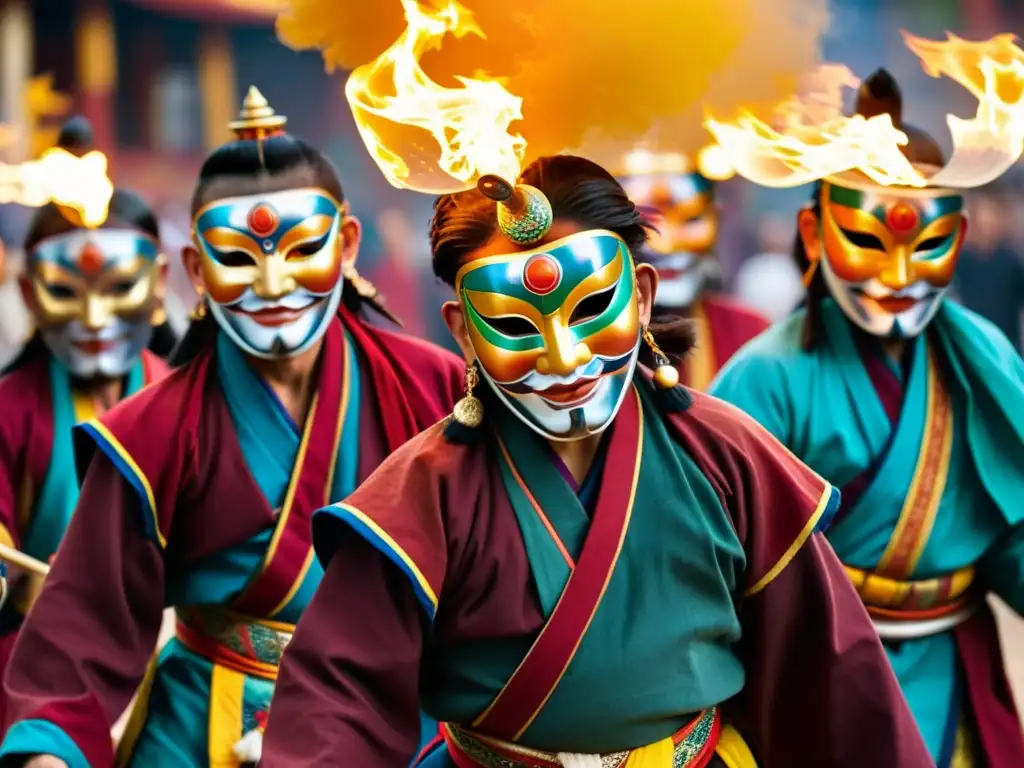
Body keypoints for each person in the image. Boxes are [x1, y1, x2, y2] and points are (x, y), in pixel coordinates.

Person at [259, 154, 932, 767]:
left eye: (590, 309)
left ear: (640, 297)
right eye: (516, 324)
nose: (565, 357)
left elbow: (828, 672)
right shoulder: (422, 491)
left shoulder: (727, 456)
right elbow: (338, 699)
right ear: (463, 330)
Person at [0, 88, 462, 768]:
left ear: (348, 243)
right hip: (207, 716)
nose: (272, 284)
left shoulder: (436, 387)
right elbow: (84, 625)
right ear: (194, 270)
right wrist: (49, 752)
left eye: (302, 249)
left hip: (390, 711)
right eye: (238, 258)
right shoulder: (154, 426)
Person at [710, 68, 1024, 766]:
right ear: (815, 235)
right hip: (822, 669)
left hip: (953, 665)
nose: (898, 274)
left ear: (962, 234)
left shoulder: (985, 357)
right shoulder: (766, 375)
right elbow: (716, 559)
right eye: (869, 241)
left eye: (928, 244)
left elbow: (1010, 521)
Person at [0, 117, 171, 700]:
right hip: (39, 657)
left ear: (159, 286)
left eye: (119, 289)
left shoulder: (190, 398)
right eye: (66, 292)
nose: (94, 320)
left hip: (174, 661)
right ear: (28, 295)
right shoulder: (9, 408)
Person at [618, 152, 768, 390]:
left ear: (716, 217)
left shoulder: (748, 335)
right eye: (644, 224)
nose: (666, 243)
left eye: (691, 220)